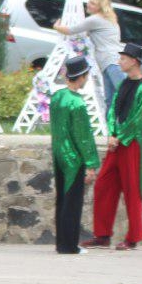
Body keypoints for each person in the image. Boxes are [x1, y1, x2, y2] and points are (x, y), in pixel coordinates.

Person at [83, 42, 142, 250]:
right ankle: (102, 234)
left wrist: (120, 137)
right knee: (103, 184)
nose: (119, 62)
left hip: (133, 144)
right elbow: (113, 109)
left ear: (134, 61)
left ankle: (133, 237)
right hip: (117, 143)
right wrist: (112, 133)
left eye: (123, 58)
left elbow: (138, 119)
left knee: (132, 188)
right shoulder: (123, 84)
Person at [51, 56, 100, 254]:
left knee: (62, 200)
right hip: (74, 159)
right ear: (81, 77)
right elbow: (83, 136)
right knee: (73, 202)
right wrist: (91, 163)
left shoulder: (57, 97)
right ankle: (69, 245)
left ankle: (61, 243)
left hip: (59, 155)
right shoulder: (77, 103)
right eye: (86, 75)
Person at [54, 0, 122, 104]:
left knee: (122, 94)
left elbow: (71, 30)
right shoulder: (108, 18)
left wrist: (56, 27)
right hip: (112, 60)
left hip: (110, 60)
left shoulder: (94, 19)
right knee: (112, 98)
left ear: (100, 7)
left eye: (92, 3)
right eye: (89, 2)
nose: (88, 5)